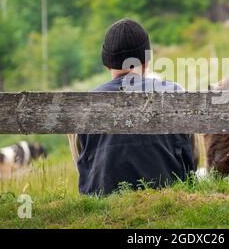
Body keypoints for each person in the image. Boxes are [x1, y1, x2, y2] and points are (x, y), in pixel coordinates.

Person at [68, 18, 199, 195]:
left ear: (106, 64)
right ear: (146, 62)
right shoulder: (176, 93)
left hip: (104, 207)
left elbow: (82, 162)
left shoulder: (83, 106)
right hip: (170, 199)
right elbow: (193, 156)